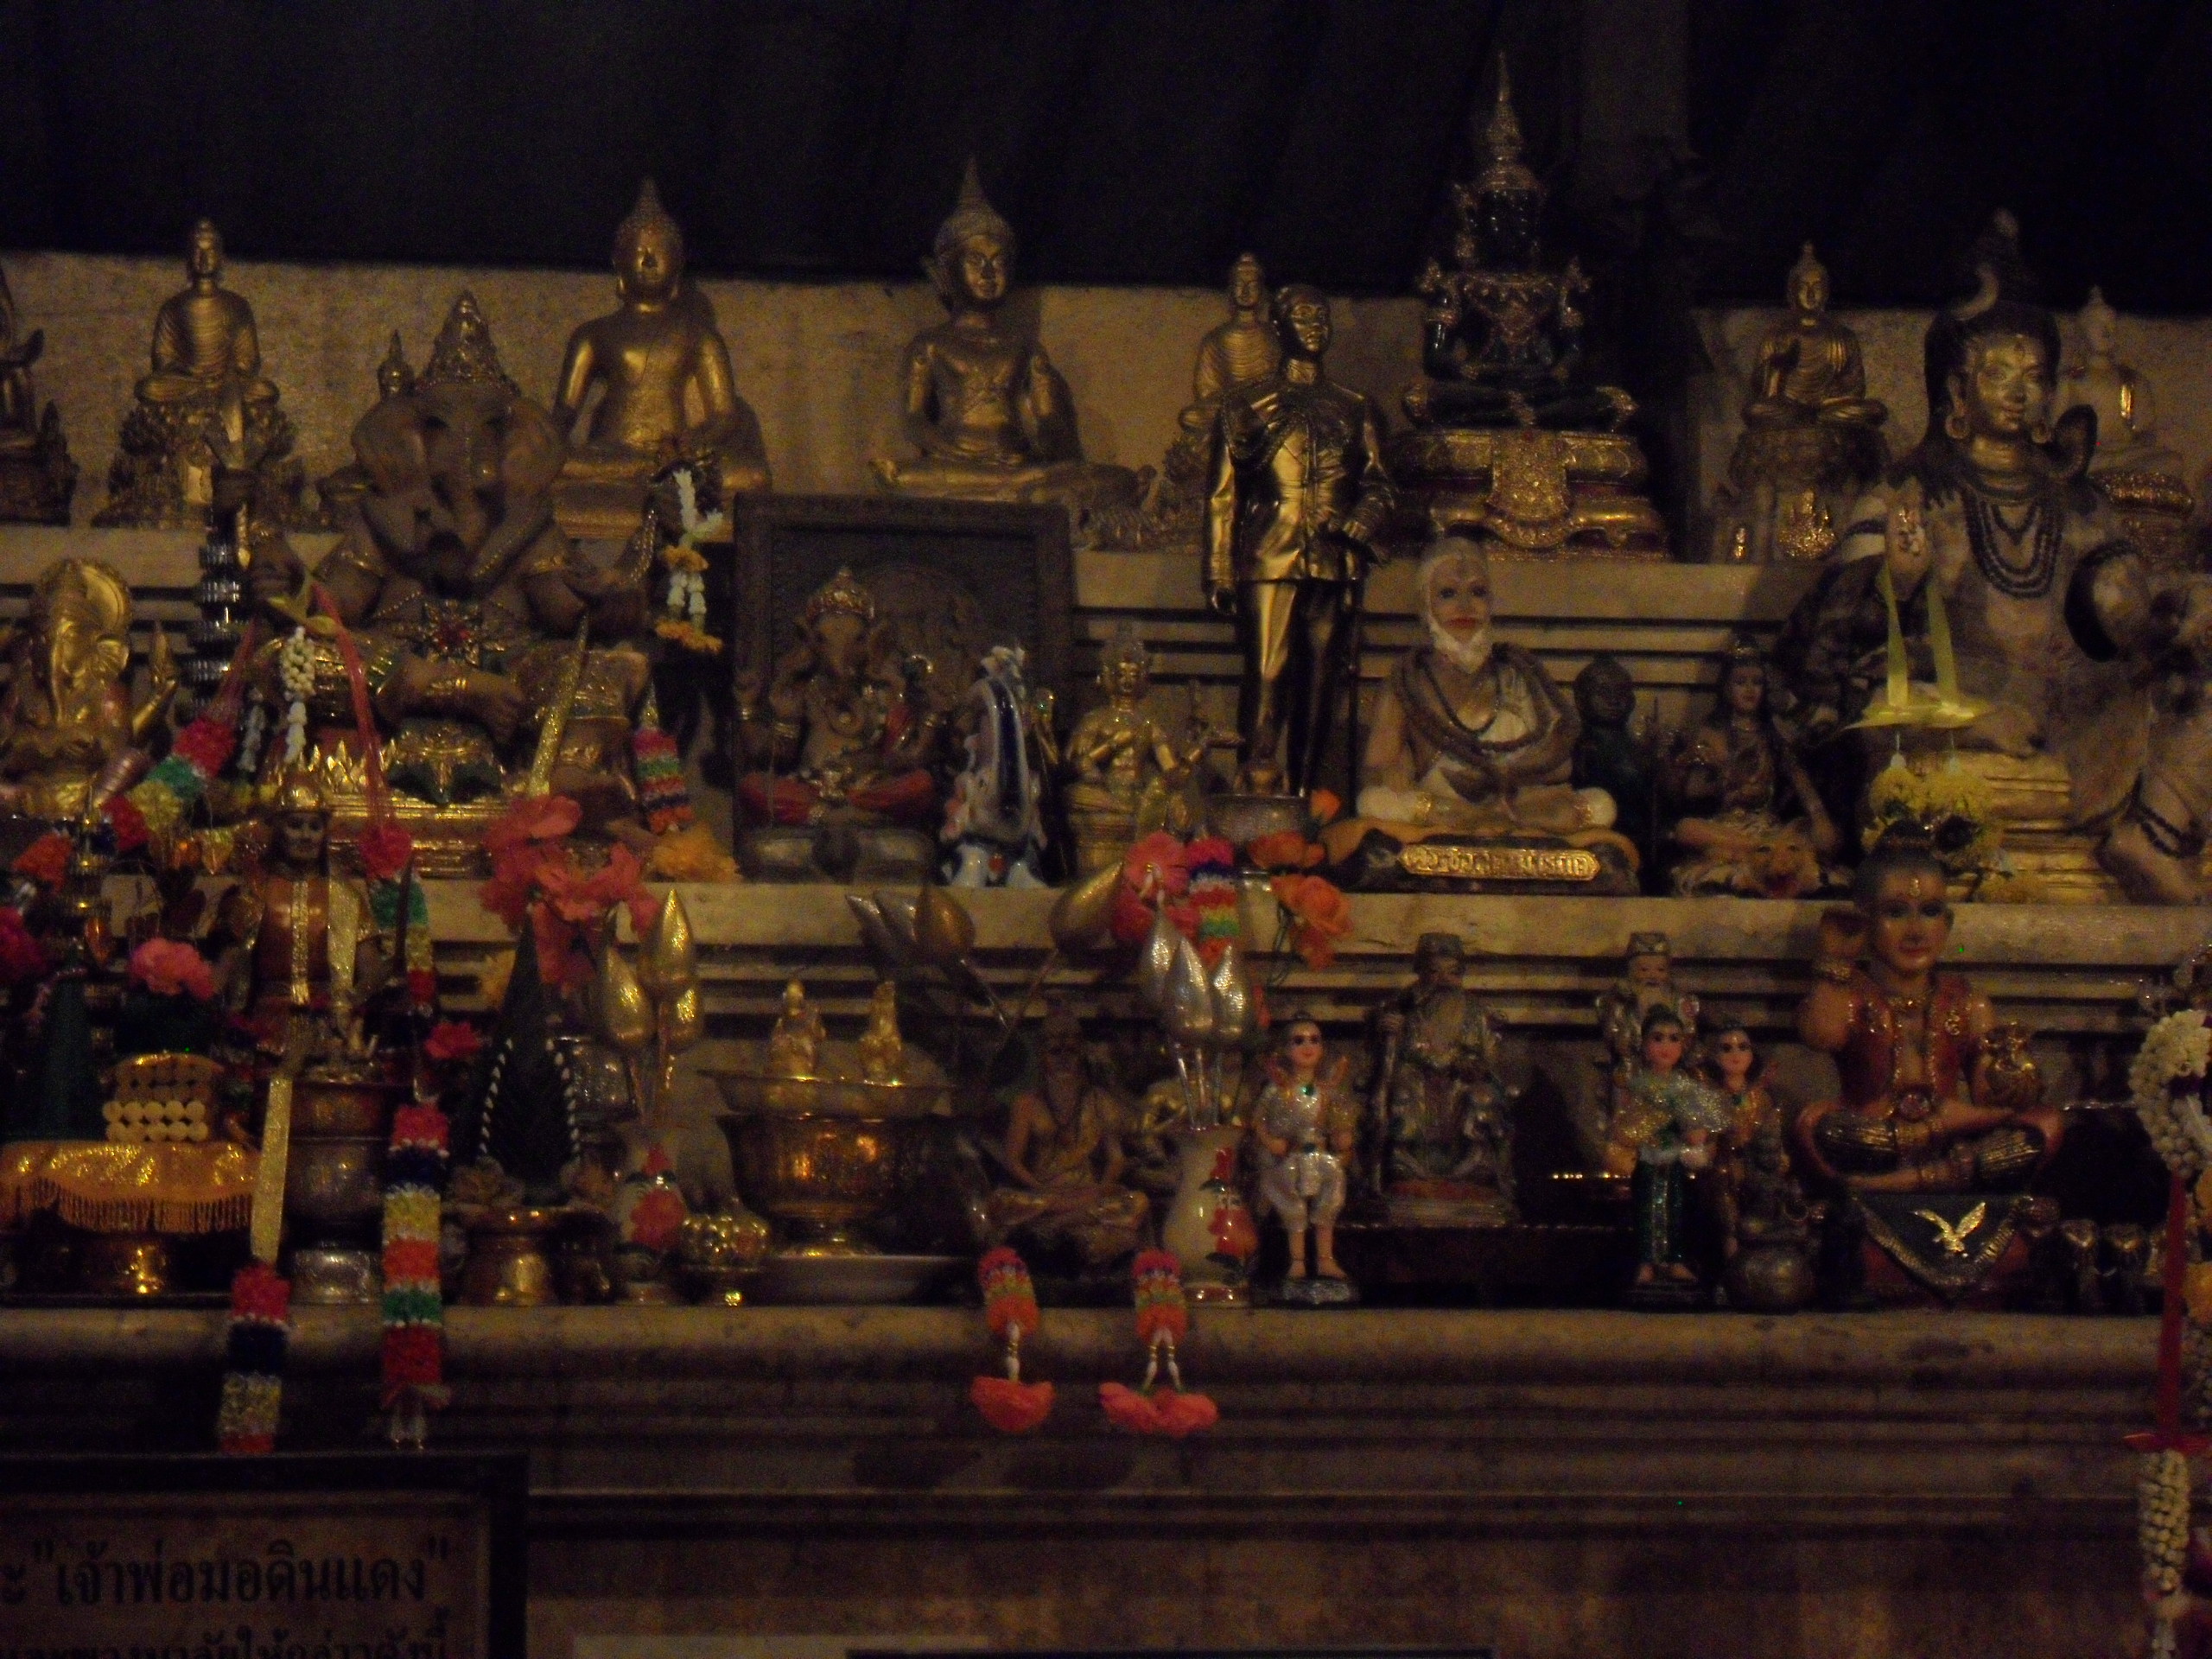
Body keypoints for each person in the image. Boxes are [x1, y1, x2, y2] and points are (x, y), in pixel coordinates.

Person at [1205, 284, 1393, 795]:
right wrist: (1219, 570)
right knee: (1267, 675)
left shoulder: (1355, 407)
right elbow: (1223, 495)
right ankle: (1255, 794)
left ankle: (1307, 801)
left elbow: (1379, 484)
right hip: (1270, 554)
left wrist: (1363, 519)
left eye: (1322, 316)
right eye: (1304, 316)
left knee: (1320, 686)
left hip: (1333, 561)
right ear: (1279, 325)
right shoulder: (1246, 405)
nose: (1315, 326)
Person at [1794, 843, 2063, 1194]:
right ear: (1866, 921)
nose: (1916, 931)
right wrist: (1834, 962)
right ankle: (1930, 1178)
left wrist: (2014, 1078)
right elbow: (1820, 1035)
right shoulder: (1852, 995)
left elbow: (1993, 1101)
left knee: (2047, 1123)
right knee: (1818, 1126)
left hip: (1952, 1142)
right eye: (1896, 913)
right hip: (1873, 1139)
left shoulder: (1967, 1002)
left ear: (1947, 925)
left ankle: (1894, 1185)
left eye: (1931, 911)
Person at [1251, 1016, 1358, 1287]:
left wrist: (1342, 1137)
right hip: (1290, 1158)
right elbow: (1259, 1120)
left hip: (1320, 1156)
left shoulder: (1327, 1092)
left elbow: (1340, 1124)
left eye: (1314, 1040)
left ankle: (1325, 1259)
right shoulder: (1277, 1091)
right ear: (1287, 1050)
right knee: (1293, 1207)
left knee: (1330, 1199)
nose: (1307, 1046)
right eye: (1299, 1041)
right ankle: (1297, 1261)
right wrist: (1270, 1141)